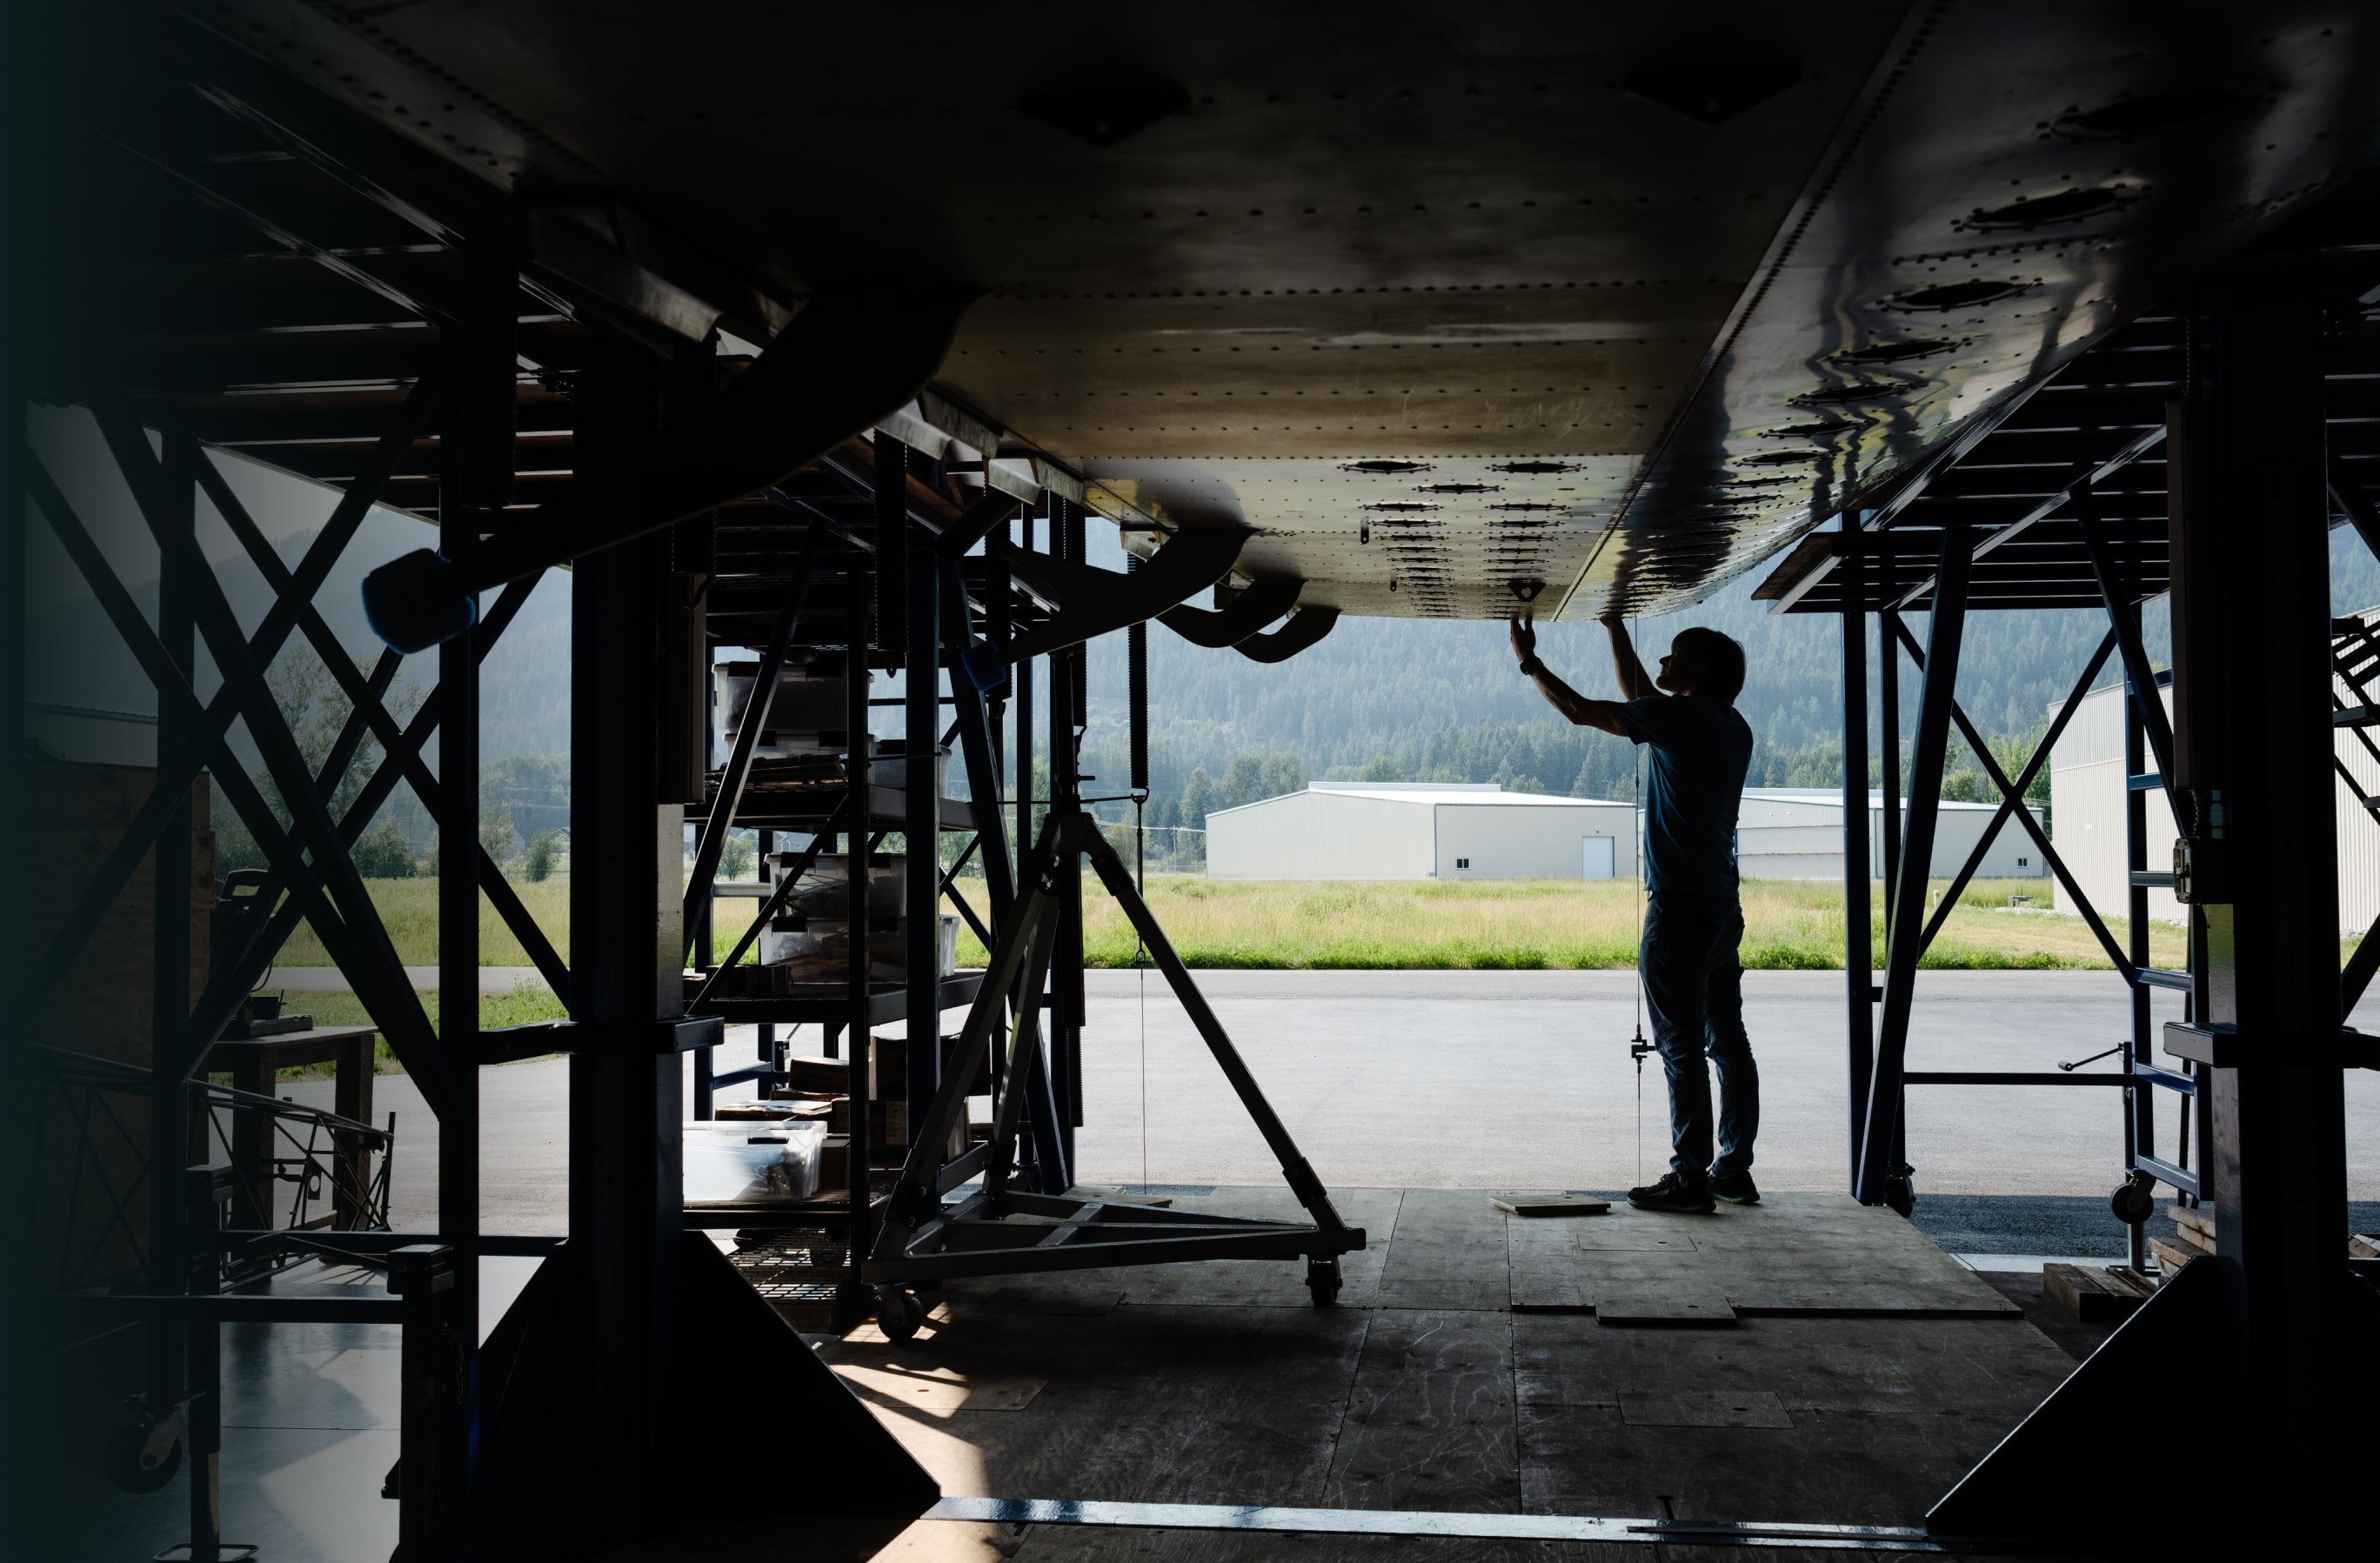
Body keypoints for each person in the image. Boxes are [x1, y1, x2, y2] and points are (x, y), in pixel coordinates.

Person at [1509, 611, 1758, 1213]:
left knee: (1679, 1045)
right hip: (1723, 905)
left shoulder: (1680, 717)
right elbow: (1642, 696)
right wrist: (1615, 627)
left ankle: (1688, 1176)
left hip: (1679, 909)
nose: (1664, 663)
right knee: (1727, 1041)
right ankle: (1732, 1169)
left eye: (1674, 655)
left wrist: (1529, 661)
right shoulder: (1728, 724)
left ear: (1699, 669)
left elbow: (1581, 709)